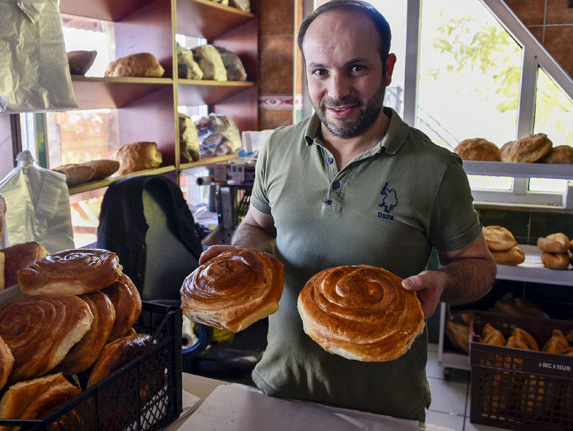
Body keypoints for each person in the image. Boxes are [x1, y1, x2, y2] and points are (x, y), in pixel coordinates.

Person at [199, 0, 497, 422]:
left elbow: (479, 266)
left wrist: (445, 282)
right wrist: (245, 257)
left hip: (384, 410)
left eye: (356, 68)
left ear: (388, 68)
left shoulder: (436, 168)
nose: (336, 91)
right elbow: (256, 225)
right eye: (320, 71)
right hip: (280, 388)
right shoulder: (277, 149)